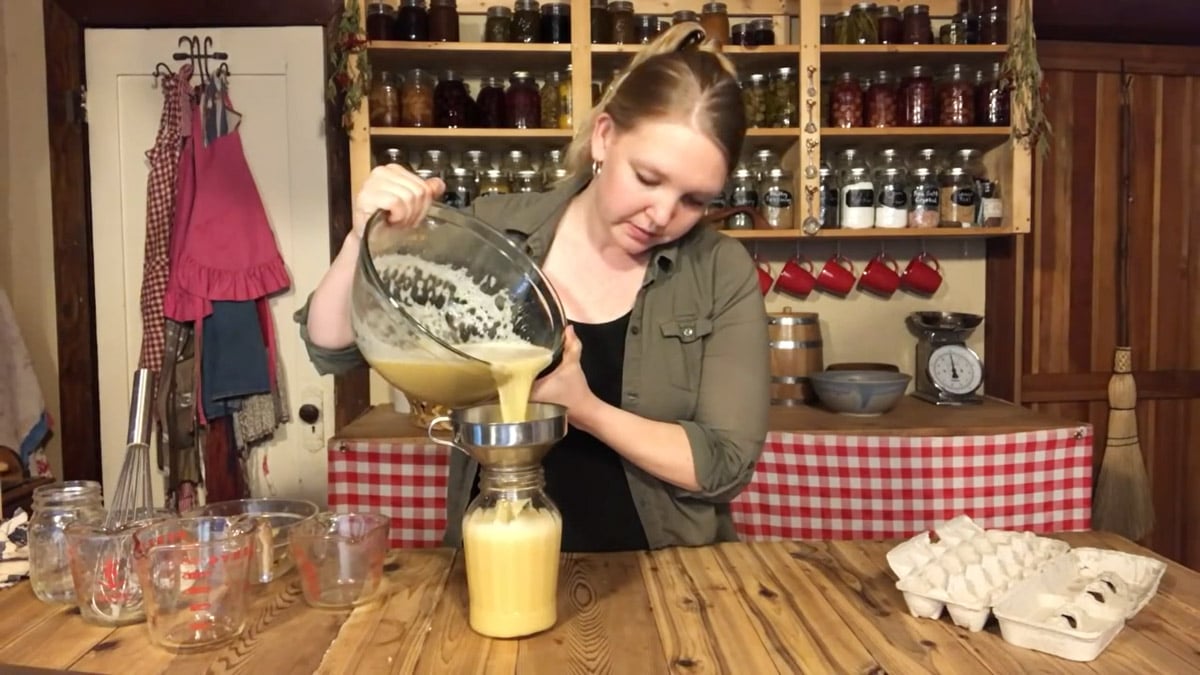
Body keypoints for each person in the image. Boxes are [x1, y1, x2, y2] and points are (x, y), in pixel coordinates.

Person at [297, 23, 770, 552]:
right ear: (605, 136)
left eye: (694, 199)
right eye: (648, 178)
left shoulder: (719, 271)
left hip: (666, 581)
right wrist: (364, 236)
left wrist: (585, 408)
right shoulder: (495, 238)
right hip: (493, 557)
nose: (662, 214)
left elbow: (725, 465)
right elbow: (333, 346)